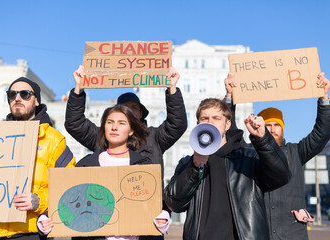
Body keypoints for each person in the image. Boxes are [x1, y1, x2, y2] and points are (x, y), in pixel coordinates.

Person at [163, 97, 291, 240]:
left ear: (227, 124)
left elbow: (281, 175)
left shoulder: (248, 158)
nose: (210, 122)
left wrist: (263, 140)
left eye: (216, 118)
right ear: (198, 124)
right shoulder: (187, 163)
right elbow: (173, 203)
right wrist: (194, 167)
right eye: (204, 118)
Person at [38, 104, 170, 240]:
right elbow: (67, 200)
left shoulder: (144, 166)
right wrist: (45, 220)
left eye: (122, 123)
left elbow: (157, 207)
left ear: (131, 130)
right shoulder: (85, 165)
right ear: (104, 127)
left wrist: (163, 220)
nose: (114, 127)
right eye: (110, 122)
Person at [224, 72, 330, 240]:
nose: (272, 129)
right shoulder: (250, 153)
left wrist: (324, 97)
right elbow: (230, 135)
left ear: (283, 128)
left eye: (276, 125)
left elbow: (321, 133)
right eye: (268, 125)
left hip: (292, 233)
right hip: (258, 231)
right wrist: (230, 96)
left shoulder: (296, 152)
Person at [0, 77, 76, 240]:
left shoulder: (54, 140)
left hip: (28, 231)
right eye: (12, 94)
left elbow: (70, 189)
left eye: (25, 94)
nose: (17, 98)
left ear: (36, 101)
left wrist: (40, 200)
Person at [64, 65, 187, 184]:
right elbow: (75, 123)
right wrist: (78, 89)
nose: (129, 111)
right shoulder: (104, 136)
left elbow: (177, 124)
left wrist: (172, 90)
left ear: (141, 113)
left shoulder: (154, 137)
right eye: (124, 108)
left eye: (134, 107)